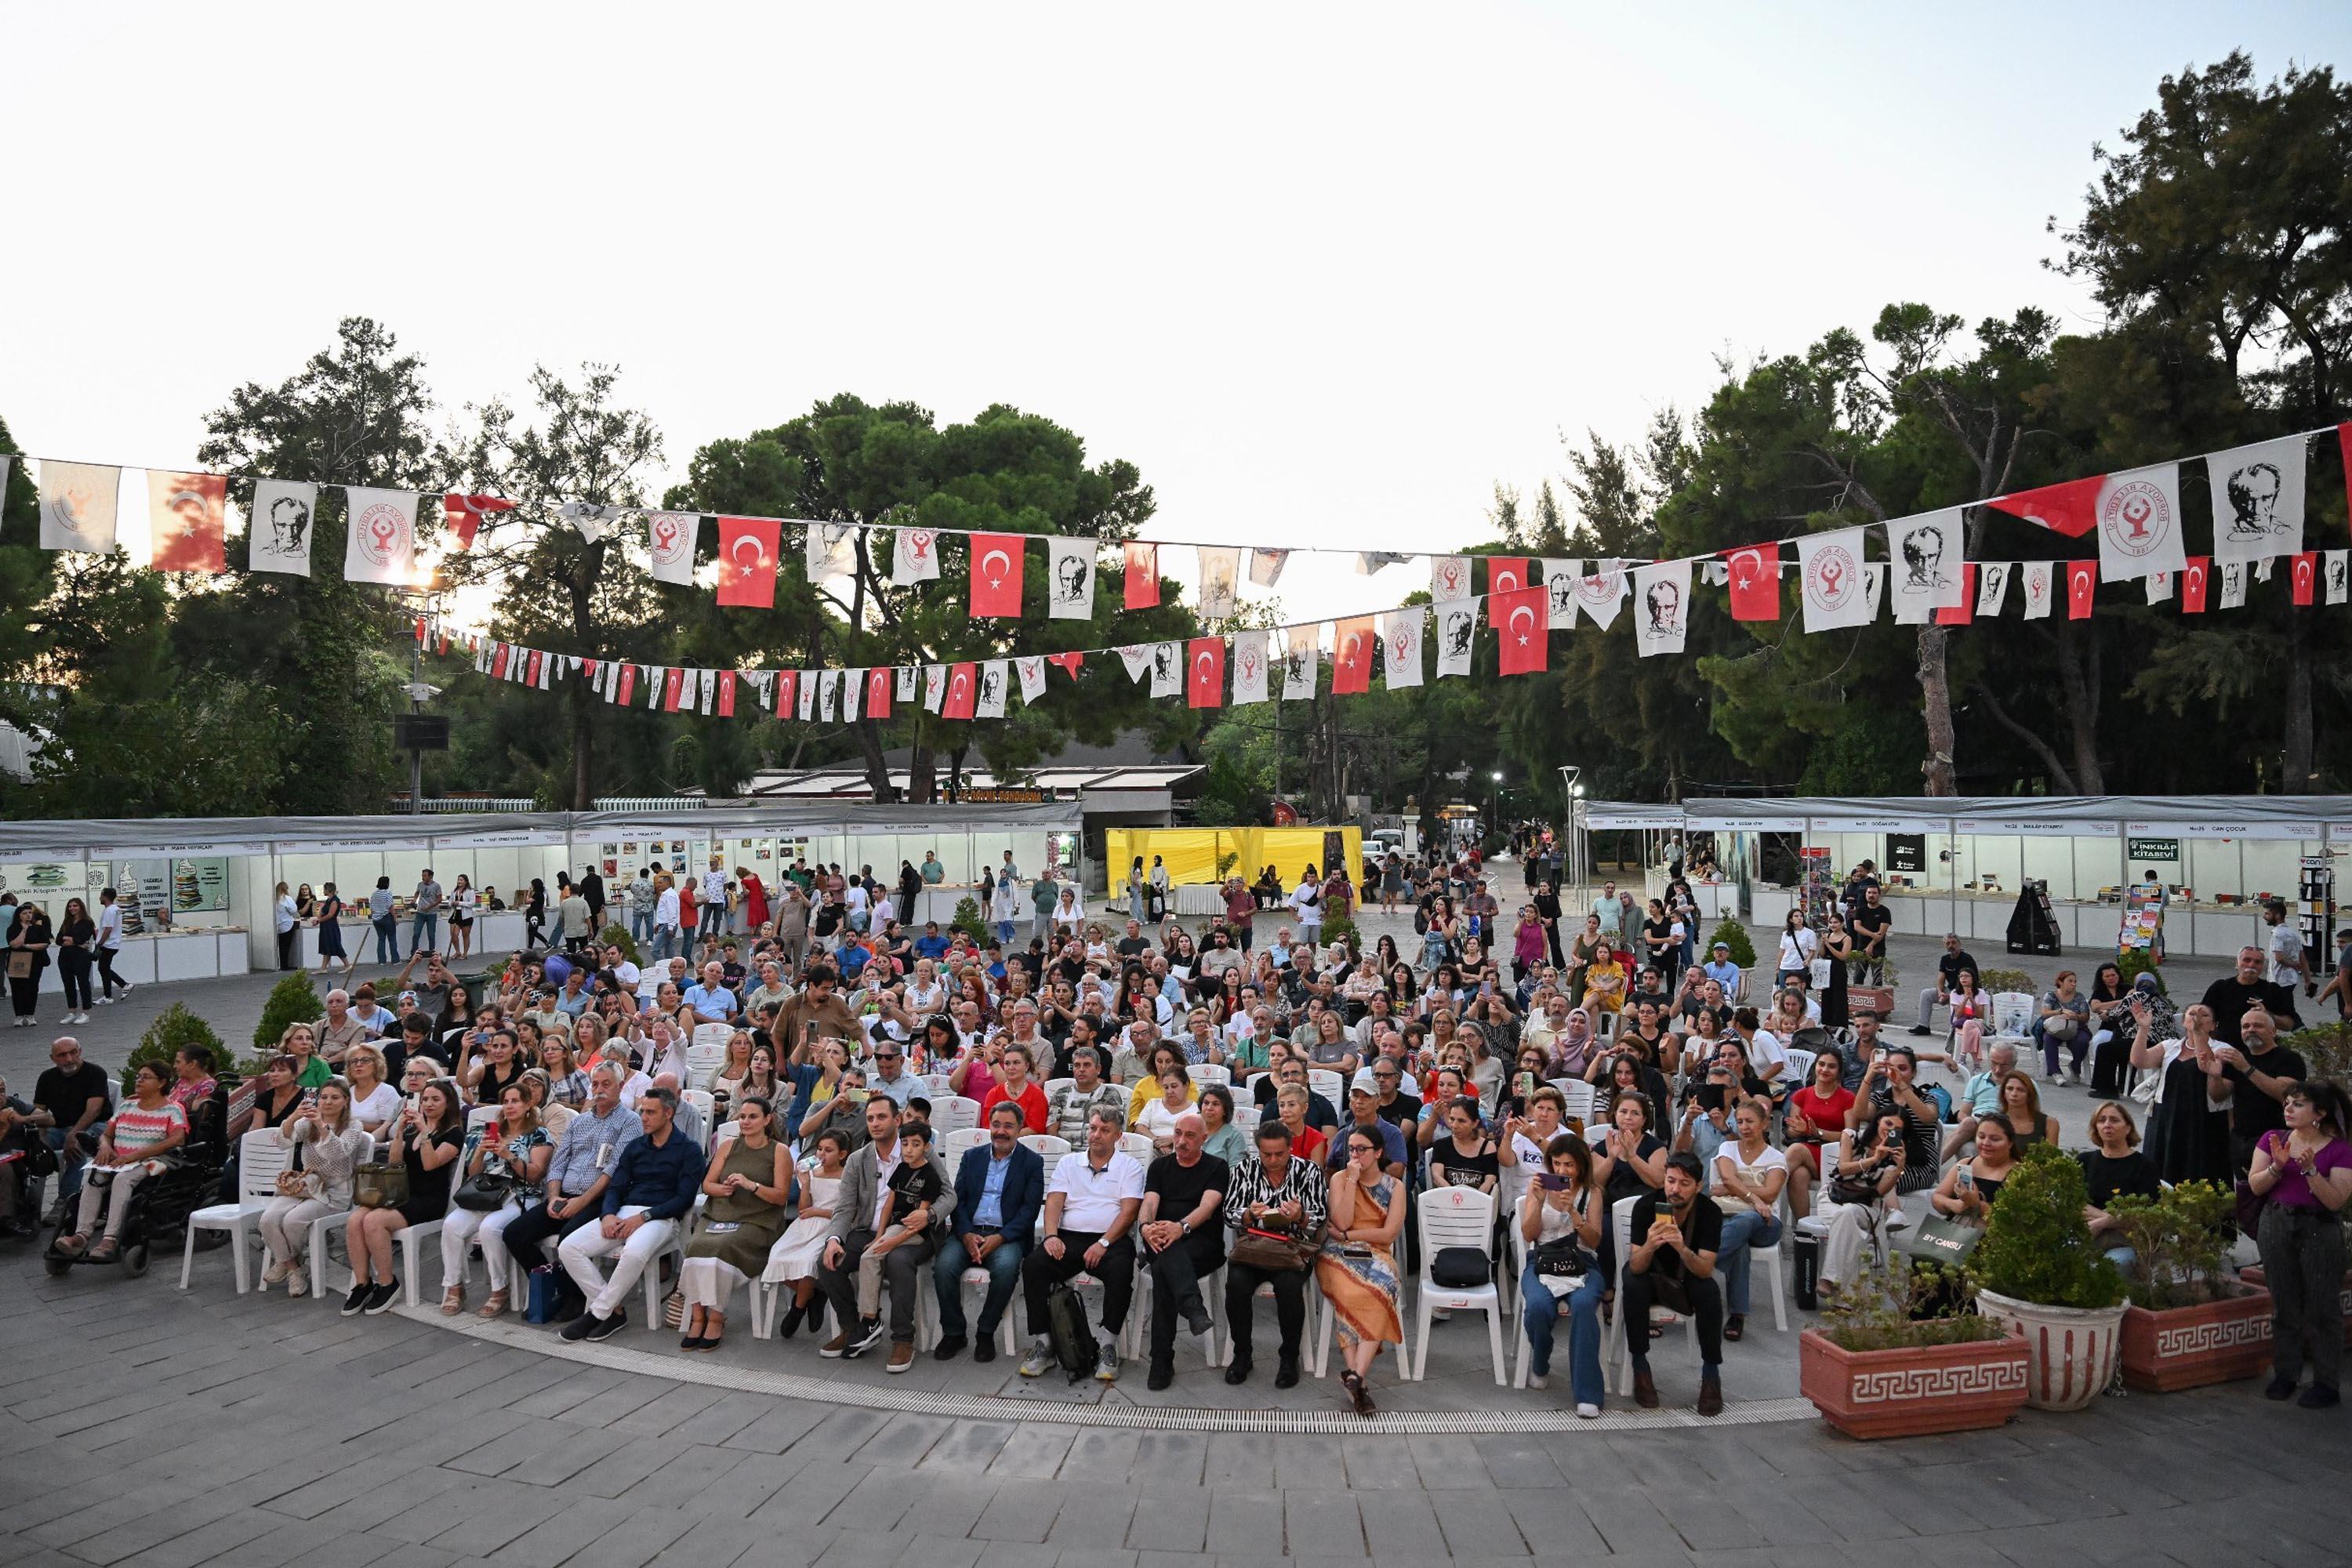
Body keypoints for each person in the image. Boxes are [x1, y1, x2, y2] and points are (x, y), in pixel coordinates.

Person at [558, 1086, 702, 1341]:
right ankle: (614, 1310)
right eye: (642, 1111)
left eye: (650, 1112)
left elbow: (684, 1199)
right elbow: (616, 1186)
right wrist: (608, 1215)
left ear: (668, 1113)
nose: (643, 1118)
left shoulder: (689, 1150)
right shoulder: (636, 1147)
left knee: (633, 1253)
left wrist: (643, 1217)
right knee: (568, 1248)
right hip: (625, 1212)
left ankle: (597, 1313)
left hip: (661, 1217)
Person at [500, 1063, 642, 1319]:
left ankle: (575, 1297)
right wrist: (554, 1196)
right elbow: (558, 1162)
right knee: (514, 1234)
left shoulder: (630, 1121)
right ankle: (553, 1286)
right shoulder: (580, 1121)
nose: (599, 1089)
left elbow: (615, 1169)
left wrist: (582, 1201)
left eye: (606, 1084)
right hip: (564, 1194)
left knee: (568, 1237)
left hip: (599, 1198)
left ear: (621, 1087)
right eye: (595, 1084)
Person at [2245, 1080, 2351, 1407]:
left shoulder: (2339, 1150)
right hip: (2277, 1222)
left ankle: (2326, 1383)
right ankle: (2286, 1374)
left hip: (2319, 1228)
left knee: (2323, 1308)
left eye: (2299, 1104)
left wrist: (2311, 1171)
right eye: (2287, 1103)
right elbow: (2256, 1186)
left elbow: (2335, 1200)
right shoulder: (2273, 1139)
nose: (2289, 1109)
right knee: (2284, 1304)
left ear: (2319, 1113)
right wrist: (2277, 1166)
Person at [1019, 1105, 1145, 1380]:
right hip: (1069, 1236)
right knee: (1034, 1265)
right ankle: (1045, 1343)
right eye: (1093, 1128)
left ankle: (1108, 1344)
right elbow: (1054, 1201)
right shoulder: (1069, 1163)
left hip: (1111, 1239)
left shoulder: (1130, 1167)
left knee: (1121, 1271)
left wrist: (1104, 1243)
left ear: (1118, 1136)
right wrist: (1051, 1236)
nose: (1096, 1135)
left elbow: (1129, 1213)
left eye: (1105, 1130)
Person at [817, 1096, 943, 1365]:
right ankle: (855, 1329)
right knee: (829, 1261)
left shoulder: (919, 1149)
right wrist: (834, 1239)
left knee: (898, 1261)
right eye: (870, 1118)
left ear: (897, 1120)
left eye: (882, 1117)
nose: (875, 1123)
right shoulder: (857, 1160)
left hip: (914, 1232)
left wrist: (929, 1215)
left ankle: (903, 1338)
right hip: (869, 1230)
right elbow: (844, 1207)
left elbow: (949, 1195)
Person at [677, 1095, 793, 1352]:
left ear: (767, 1120)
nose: (746, 1121)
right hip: (720, 1214)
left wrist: (751, 1185)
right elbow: (707, 1184)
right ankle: (698, 1316)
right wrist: (722, 1189)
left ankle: (716, 1317)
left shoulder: (779, 1151)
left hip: (757, 1220)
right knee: (695, 1246)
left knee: (722, 1248)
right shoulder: (728, 1146)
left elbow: (781, 1196)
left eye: (753, 1117)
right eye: (742, 1116)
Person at [930, 1102, 1044, 1361]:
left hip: (1007, 1235)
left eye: (1008, 1126)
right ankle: (954, 1332)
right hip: (969, 1232)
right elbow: (957, 1201)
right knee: (944, 1268)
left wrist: (1000, 1238)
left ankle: (985, 1331)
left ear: (1020, 1128)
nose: (1001, 1131)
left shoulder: (1032, 1162)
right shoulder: (972, 1157)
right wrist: (966, 1234)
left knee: (1005, 1270)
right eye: (996, 1125)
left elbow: (1029, 1210)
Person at [343, 1076, 463, 1316]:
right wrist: (399, 1131)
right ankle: (362, 1283)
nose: (428, 1104)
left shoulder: (453, 1134)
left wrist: (425, 1131)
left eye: (435, 1099)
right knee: (355, 1219)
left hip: (429, 1199)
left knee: (373, 1221)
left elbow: (430, 1164)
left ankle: (387, 1283)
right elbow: (395, 1162)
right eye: (425, 1099)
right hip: (402, 1192)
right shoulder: (411, 1129)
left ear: (448, 1103)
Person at [1621, 1151, 1725, 1415]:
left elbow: (1705, 1270)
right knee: (1632, 1283)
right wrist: (1650, 1245)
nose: (1675, 1189)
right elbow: (1636, 1265)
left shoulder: (1710, 1212)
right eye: (1671, 1181)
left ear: (1698, 1186)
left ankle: (1711, 1374)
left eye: (1684, 1183)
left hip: (1687, 1274)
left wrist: (1681, 1248)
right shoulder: (1646, 1206)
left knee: (1710, 1291)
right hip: (1650, 1273)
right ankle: (1640, 1366)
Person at [51, 1062, 187, 1265]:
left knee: (122, 1179)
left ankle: (110, 1239)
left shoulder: (173, 1109)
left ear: (161, 1083)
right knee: (93, 1175)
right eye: (138, 1076)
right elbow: (107, 1134)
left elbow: (177, 1139)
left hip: (150, 1161)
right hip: (119, 1159)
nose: (139, 1080)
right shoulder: (127, 1106)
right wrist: (105, 1147)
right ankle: (81, 1235)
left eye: (146, 1077)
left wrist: (135, 1156)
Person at [437, 1083, 554, 1315]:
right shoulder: (495, 1131)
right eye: (506, 1102)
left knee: (490, 1228)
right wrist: (481, 1152)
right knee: (451, 1225)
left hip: (521, 1196)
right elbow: (474, 1174)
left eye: (515, 1101)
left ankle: (500, 1288)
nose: (509, 1106)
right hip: (487, 1195)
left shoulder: (539, 1134)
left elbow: (536, 1175)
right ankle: (455, 1286)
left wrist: (508, 1155)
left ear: (528, 1105)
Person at [1138, 1112, 1232, 1389]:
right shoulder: (1159, 1166)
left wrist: (1181, 1227)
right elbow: (1149, 1203)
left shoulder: (1216, 1167)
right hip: (1159, 1238)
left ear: (1204, 1139)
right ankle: (1192, 1307)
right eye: (1178, 1133)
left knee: (1164, 1268)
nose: (1181, 1141)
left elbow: (1207, 1207)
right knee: (1166, 1256)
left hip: (1202, 1244)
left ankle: (1161, 1360)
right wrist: (1145, 1227)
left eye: (1190, 1136)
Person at [1319, 1124, 1406, 1416]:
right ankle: (1357, 1378)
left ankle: (1355, 1375)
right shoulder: (1340, 1179)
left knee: (1382, 1288)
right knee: (1350, 1293)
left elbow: (1388, 1234)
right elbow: (1341, 1222)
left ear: (1378, 1152)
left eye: (1362, 1149)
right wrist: (1352, 1182)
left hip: (1376, 1254)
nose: (1355, 1155)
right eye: (1351, 1149)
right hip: (1337, 1255)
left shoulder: (1395, 1187)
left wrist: (1350, 1236)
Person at [1518, 1132, 1606, 1414]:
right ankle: (1540, 1359)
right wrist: (1538, 1201)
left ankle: (1587, 1393)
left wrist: (1575, 1213)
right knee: (1537, 1306)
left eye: (1569, 1165)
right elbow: (1529, 1235)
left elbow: (1594, 1241)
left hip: (1582, 1261)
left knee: (1584, 1305)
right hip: (1543, 1259)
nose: (1562, 1171)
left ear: (1581, 1165)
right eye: (1557, 1164)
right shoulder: (1539, 1186)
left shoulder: (1593, 1192)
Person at [2132, 1000, 2233, 1187]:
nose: (2197, 1018)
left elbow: (2205, 1065)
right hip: (2166, 1116)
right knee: (2160, 1170)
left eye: (2204, 1015)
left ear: (2213, 1025)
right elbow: (2140, 1061)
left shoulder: (2222, 1049)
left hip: (2202, 1118)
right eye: (2192, 1014)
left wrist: (2199, 1034)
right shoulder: (2170, 1046)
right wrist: (2143, 1029)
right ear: (2184, 1021)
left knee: (2199, 1170)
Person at [1709, 1098, 1786, 1341]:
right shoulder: (1728, 1148)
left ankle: (1697, 1266)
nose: (1744, 1127)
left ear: (1764, 1123)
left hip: (1765, 1222)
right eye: (1740, 1121)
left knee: (1745, 1220)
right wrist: (1753, 1195)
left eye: (1750, 1121)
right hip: (1727, 1216)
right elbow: (1728, 1178)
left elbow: (1770, 1194)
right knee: (1739, 1245)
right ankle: (1737, 1315)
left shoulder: (1776, 1156)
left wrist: (1732, 1189)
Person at [2216, 1005, 2307, 1178]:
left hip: (2277, 1138)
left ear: (2273, 1032)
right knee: (2244, 1190)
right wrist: (2213, 1074)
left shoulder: (2289, 1059)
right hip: (2241, 1140)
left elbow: (2285, 1094)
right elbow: (2218, 1096)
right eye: (2246, 1026)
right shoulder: (2239, 1058)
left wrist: (2246, 1068)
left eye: (2258, 1026)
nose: (2251, 1030)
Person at [2078, 1101, 2161, 1270]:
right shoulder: (2084, 1161)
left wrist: (2101, 1223)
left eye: (2114, 1120)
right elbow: (2074, 1203)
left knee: (2114, 1266)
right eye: (2102, 1120)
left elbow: (2145, 1214)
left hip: (2124, 1241)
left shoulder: (2144, 1166)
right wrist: (2115, 1220)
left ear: (2128, 1127)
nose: (2107, 1125)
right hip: (2086, 1234)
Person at [1783, 1049, 1855, 1221]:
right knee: (1798, 1175)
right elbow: (1792, 1131)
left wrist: (1817, 1133)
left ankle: (1764, 1188)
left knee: (1796, 1149)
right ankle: (1804, 1230)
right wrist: (1798, 1129)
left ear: (1839, 1071)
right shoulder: (1801, 1095)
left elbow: (1851, 1136)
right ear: (1815, 1066)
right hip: (1807, 1151)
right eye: (1821, 1064)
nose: (1825, 1070)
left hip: (1837, 1155)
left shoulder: (1848, 1098)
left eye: (1831, 1066)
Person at [2199, 945, 2300, 1047]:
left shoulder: (2274, 990)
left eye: (2258, 962)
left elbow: (2289, 1025)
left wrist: (2268, 1016)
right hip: (2226, 1049)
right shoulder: (2220, 988)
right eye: (2247, 960)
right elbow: (2201, 1020)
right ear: (2237, 963)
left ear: (2262, 966)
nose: (2252, 965)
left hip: (2262, 1050)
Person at [1910, 932, 1980, 1036]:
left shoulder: (1967, 959)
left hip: (1965, 992)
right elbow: (1940, 980)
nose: (1951, 946)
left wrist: (1951, 996)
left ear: (1959, 944)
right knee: (1926, 994)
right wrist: (1940, 993)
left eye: (1953, 943)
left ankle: (1956, 1030)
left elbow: (1969, 983)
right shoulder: (1945, 959)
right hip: (1951, 990)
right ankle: (1923, 1026)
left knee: (1955, 999)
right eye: (1948, 943)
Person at [8, 902, 53, 1028]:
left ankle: (30, 1015)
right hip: (18, 960)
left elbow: (45, 944)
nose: (28, 915)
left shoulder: (38, 928)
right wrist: (24, 930)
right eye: (24, 913)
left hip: (35, 960)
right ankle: (19, 1016)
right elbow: (14, 944)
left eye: (30, 913)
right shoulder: (13, 929)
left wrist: (27, 946)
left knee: (32, 987)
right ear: (19, 915)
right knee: (17, 988)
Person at [409, 869, 443, 959]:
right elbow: (417, 893)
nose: (423, 877)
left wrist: (430, 906)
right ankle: (413, 953)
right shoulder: (420, 884)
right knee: (416, 934)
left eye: (425, 876)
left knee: (431, 935)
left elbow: (439, 899)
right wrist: (414, 900)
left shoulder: (436, 886)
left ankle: (432, 953)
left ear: (430, 876)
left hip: (431, 914)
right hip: (420, 913)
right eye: (422, 875)